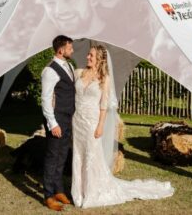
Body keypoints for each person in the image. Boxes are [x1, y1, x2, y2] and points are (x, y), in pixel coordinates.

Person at [71, 45, 174, 208]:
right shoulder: (79, 73)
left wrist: (100, 127)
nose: (87, 57)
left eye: (91, 55)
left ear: (99, 59)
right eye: (88, 55)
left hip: (92, 122)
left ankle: (92, 192)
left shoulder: (104, 79)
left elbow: (104, 106)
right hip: (77, 121)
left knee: (91, 156)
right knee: (78, 156)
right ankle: (78, 192)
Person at [41, 35, 75, 211]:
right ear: (61, 50)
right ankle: (48, 195)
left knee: (62, 155)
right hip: (57, 119)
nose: (72, 50)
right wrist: (53, 124)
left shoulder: (68, 65)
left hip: (68, 117)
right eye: (70, 48)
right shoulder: (50, 71)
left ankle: (59, 189)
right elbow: (46, 100)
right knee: (52, 157)